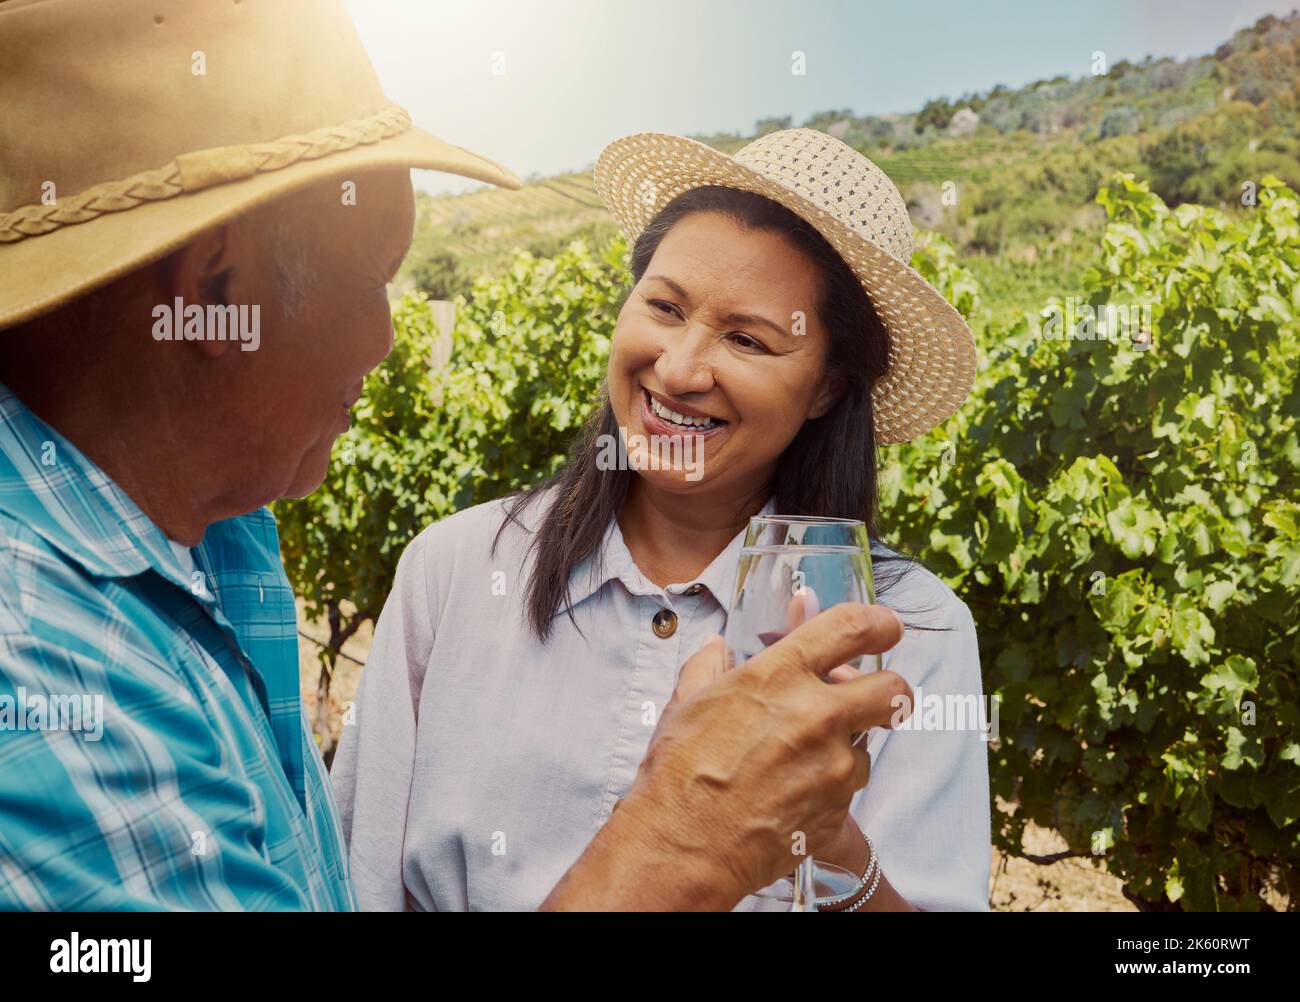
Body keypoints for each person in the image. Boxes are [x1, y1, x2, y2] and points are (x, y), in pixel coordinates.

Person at [0, 0, 909, 912]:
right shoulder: (41, 660)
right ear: (215, 287)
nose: (391, 339)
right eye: (377, 274)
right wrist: (687, 837)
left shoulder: (224, 542)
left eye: (751, 339)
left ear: (830, 386)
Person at [330, 130, 991, 911]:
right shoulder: (454, 571)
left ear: (827, 388)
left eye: (748, 339)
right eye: (665, 307)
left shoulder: (910, 633)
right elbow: (354, 887)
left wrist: (835, 848)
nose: (678, 370)